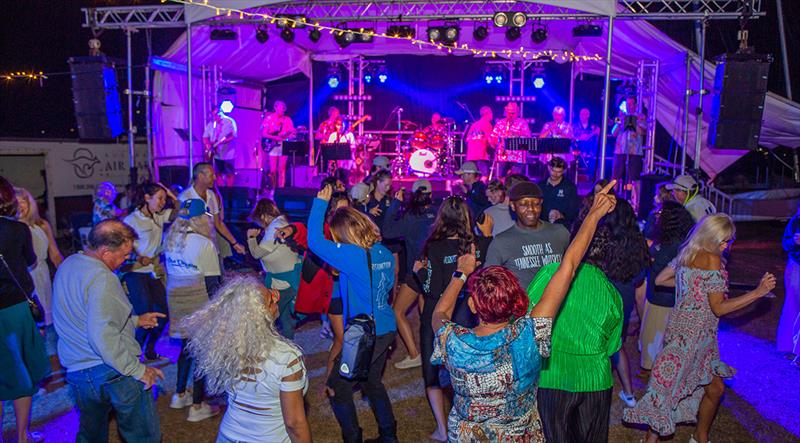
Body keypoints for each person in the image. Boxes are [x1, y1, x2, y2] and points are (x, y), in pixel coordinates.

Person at [430, 180, 618, 442]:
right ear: (517, 301)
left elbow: (438, 314)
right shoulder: (529, 335)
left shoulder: (452, 341)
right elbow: (569, 267)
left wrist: (461, 274)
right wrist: (594, 215)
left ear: (473, 305)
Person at [624, 214, 777, 443]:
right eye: (725, 240)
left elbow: (661, 280)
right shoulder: (713, 259)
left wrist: (695, 284)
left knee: (701, 388)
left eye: (730, 240)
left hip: (683, 332)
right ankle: (675, 439)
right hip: (694, 337)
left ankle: (699, 435)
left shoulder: (688, 252)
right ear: (712, 238)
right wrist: (757, 292)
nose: (728, 245)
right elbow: (719, 308)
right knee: (671, 389)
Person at [53, 219, 165, 442]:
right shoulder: (103, 278)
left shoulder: (70, 264)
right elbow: (101, 336)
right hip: (110, 372)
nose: (126, 260)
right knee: (144, 436)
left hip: (79, 374)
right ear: (105, 252)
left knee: (91, 435)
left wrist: (134, 321)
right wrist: (138, 369)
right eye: (123, 256)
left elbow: (86, 317)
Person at [527, 198, 627, 443]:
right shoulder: (610, 291)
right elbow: (613, 346)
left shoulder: (550, 274)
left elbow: (528, 321)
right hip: (594, 382)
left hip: (553, 378)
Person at [308, 185, 399, 443]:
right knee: (373, 383)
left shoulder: (352, 254)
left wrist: (319, 204)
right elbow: (387, 287)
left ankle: (352, 438)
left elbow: (314, 242)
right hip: (386, 327)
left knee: (338, 388)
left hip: (364, 335)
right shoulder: (383, 251)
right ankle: (389, 436)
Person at [182, 277, 311, 443]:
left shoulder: (225, 346)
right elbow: (294, 424)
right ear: (261, 314)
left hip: (227, 436)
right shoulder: (286, 357)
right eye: (271, 297)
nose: (276, 295)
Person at [415, 196, 492, 441]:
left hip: (437, 315)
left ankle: (442, 428)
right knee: (466, 370)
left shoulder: (433, 247)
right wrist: (487, 236)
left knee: (433, 372)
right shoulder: (478, 244)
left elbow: (431, 288)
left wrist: (419, 273)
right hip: (466, 314)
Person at [0, 177, 50, 443]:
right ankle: (22, 436)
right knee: (23, 373)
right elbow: (30, 261)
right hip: (15, 309)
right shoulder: (18, 230)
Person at [163, 199, 223, 422]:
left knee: (186, 346)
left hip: (176, 297)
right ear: (200, 218)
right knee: (201, 352)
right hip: (197, 298)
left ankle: (179, 394)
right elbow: (212, 283)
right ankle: (197, 405)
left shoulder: (170, 238)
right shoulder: (203, 243)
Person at [597, 199, 650, 408]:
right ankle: (628, 394)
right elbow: (640, 274)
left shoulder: (604, 238)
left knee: (599, 344)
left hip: (603, 292)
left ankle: (599, 389)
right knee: (617, 343)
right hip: (625, 294)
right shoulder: (638, 240)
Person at [382, 179, 438, 370]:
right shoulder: (438, 214)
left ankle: (415, 354)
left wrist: (396, 203)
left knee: (397, 311)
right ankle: (434, 349)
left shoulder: (410, 217)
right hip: (436, 271)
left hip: (416, 273)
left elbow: (387, 231)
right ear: (431, 194)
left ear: (413, 196)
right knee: (428, 312)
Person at [122, 183, 178, 360]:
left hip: (152, 271)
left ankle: (151, 349)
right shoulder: (132, 220)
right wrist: (138, 257)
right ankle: (133, 354)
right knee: (144, 313)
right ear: (147, 198)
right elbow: (123, 245)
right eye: (159, 198)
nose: (163, 202)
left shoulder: (159, 216)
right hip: (136, 273)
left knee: (163, 312)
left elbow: (181, 210)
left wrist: (171, 195)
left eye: (164, 198)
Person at [640, 201, 695, 371]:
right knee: (651, 336)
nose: (658, 215)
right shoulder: (667, 239)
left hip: (663, 300)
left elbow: (677, 273)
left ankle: (655, 375)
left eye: (662, 212)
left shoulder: (678, 245)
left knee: (655, 340)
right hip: (655, 295)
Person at [484, 181, 570, 290]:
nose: (531, 209)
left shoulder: (560, 233)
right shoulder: (502, 242)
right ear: (513, 206)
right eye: (523, 204)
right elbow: (489, 283)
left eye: (536, 204)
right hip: (522, 305)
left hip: (559, 304)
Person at [247, 198, 302, 339]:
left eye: (258, 220)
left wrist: (251, 238)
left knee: (267, 320)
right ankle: (289, 347)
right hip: (283, 281)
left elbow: (256, 253)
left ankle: (269, 350)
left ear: (264, 216)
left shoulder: (276, 227)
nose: (258, 224)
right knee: (285, 320)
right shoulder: (278, 224)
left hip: (283, 283)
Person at [15, 187, 63, 326]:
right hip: (22, 276)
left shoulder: (42, 225)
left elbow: (55, 254)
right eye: (16, 201)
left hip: (41, 274)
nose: (20, 205)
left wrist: (65, 272)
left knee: (46, 321)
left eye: (23, 200)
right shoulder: (10, 228)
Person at [179, 162, 246, 258]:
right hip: (193, 252)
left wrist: (234, 243)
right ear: (201, 176)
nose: (215, 178)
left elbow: (218, 223)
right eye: (211, 175)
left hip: (212, 248)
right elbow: (179, 227)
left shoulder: (211, 195)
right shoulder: (185, 198)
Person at [611, 96, 647, 206]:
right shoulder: (620, 116)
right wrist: (620, 122)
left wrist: (632, 122)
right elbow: (613, 132)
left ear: (636, 105)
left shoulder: (641, 116)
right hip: (620, 150)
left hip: (634, 152)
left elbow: (642, 132)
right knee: (615, 176)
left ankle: (636, 203)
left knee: (634, 178)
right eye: (627, 104)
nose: (629, 106)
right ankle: (612, 199)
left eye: (631, 104)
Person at [779, 203, 800, 365]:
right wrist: (794, 241)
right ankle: (790, 348)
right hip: (796, 267)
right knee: (793, 307)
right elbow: (785, 244)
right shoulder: (796, 220)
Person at [490, 102, 532, 177]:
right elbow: (493, 138)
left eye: (513, 113)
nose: (510, 115)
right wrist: (499, 145)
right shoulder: (500, 123)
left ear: (517, 113)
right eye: (509, 113)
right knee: (500, 179)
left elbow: (528, 139)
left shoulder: (522, 123)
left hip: (517, 158)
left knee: (516, 180)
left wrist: (516, 134)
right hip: (502, 157)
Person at [261, 100, 296, 189]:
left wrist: (291, 135)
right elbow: (264, 134)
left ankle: (281, 188)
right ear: (275, 108)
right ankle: (273, 188)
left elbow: (292, 132)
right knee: (273, 170)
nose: (282, 110)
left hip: (283, 145)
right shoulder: (269, 119)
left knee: (282, 168)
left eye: (283, 109)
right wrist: (275, 138)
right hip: (272, 145)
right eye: (280, 108)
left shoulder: (287, 120)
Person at [539, 156, 579, 227]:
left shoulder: (570, 187)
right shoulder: (540, 186)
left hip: (562, 227)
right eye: (553, 170)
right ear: (548, 168)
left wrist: (561, 215)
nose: (555, 174)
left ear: (564, 171)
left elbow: (574, 211)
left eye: (559, 172)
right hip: (543, 226)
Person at [203, 106, 238, 187]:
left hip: (228, 153)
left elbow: (234, 136)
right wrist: (208, 146)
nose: (216, 117)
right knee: (218, 173)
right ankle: (221, 190)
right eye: (214, 115)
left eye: (217, 114)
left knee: (229, 173)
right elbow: (205, 137)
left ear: (221, 112)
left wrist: (223, 141)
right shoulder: (211, 124)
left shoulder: (230, 121)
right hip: (216, 154)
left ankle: (229, 192)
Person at [465, 105, 494, 175]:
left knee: (473, 178)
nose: (492, 115)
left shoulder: (474, 125)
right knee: (484, 177)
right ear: (487, 114)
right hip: (481, 156)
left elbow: (467, 140)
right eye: (491, 113)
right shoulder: (487, 124)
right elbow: (490, 140)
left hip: (471, 156)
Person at [572, 108, 601, 179]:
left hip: (591, 150)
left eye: (584, 114)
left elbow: (599, 131)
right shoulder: (575, 126)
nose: (582, 116)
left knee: (594, 159)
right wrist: (581, 138)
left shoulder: (593, 126)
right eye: (581, 114)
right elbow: (573, 136)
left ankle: (591, 178)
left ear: (588, 115)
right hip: (578, 149)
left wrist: (591, 135)